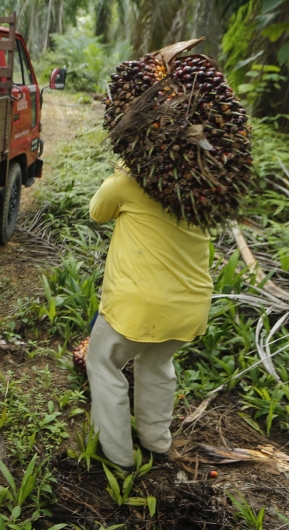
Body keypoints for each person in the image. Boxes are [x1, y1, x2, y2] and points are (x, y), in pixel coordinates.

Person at [85, 167, 213, 469]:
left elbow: (97, 212)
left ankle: (117, 456)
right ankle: (156, 443)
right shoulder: (205, 188)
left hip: (139, 305)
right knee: (157, 364)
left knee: (103, 364)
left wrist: (120, 173)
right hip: (189, 304)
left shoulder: (130, 181)